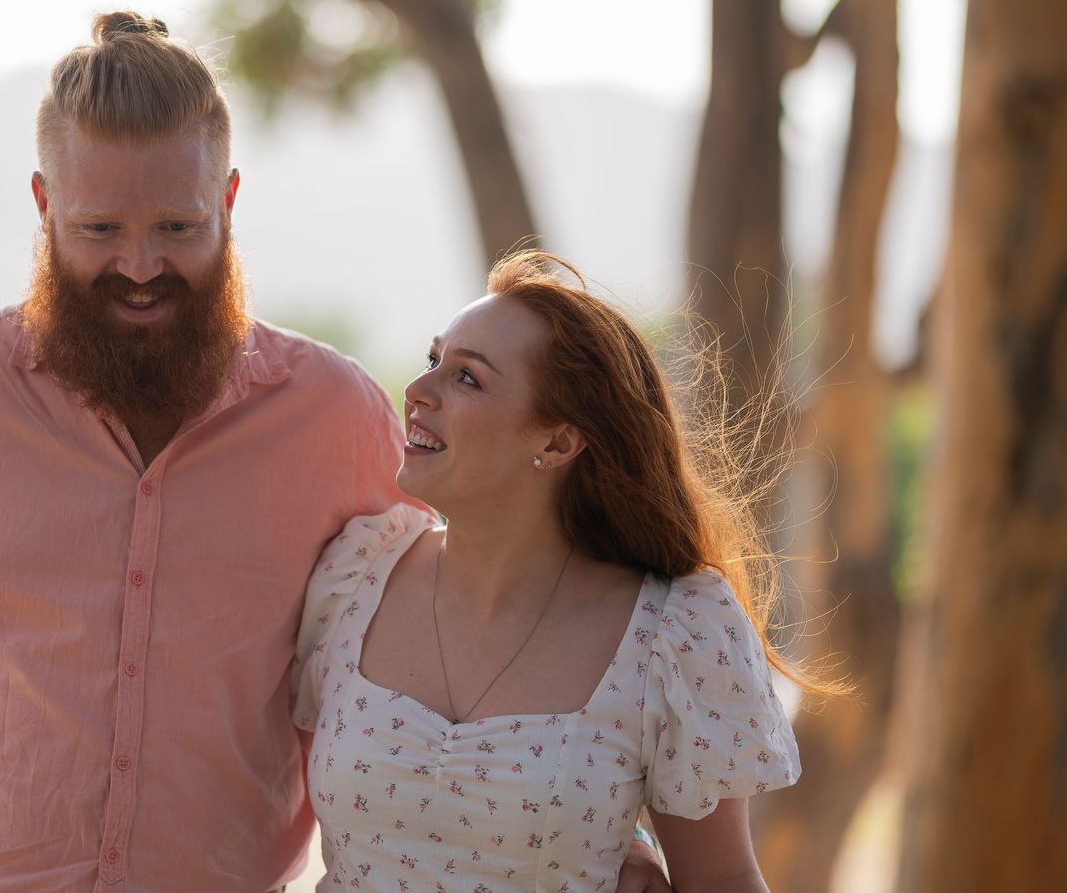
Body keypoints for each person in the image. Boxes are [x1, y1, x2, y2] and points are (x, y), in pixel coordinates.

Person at [0, 11, 671, 893]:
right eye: (100, 230)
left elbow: (460, 634)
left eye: (178, 228)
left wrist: (606, 834)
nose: (142, 266)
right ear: (43, 206)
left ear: (229, 202)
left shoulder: (336, 416)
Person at [293, 252, 804, 891]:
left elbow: (723, 878)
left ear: (558, 442)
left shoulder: (673, 635)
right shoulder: (355, 578)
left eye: (467, 379)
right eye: (433, 361)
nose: (419, 392)